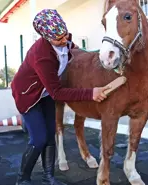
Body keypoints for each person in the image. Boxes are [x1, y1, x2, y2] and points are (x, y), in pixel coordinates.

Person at [10, 9, 110, 185]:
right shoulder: (41, 56)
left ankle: (48, 177)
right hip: (28, 95)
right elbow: (58, 92)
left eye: (65, 35)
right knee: (39, 138)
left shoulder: (63, 38)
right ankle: (23, 178)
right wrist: (91, 93)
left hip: (45, 93)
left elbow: (70, 45)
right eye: (58, 39)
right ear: (46, 37)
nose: (64, 40)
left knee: (51, 135)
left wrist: (78, 49)